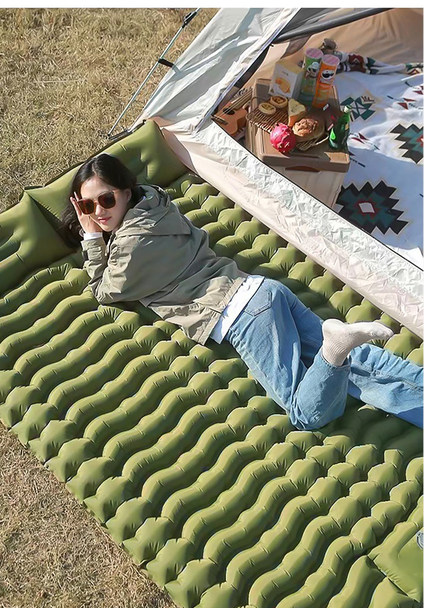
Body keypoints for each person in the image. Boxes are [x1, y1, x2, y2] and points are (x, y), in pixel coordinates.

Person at [59, 153, 423, 431]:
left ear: (125, 192)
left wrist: (91, 237)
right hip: (260, 289)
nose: (98, 212)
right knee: (361, 365)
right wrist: (98, 227)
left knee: (306, 415)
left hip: (240, 315)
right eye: (88, 206)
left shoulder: (129, 248)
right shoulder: (155, 203)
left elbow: (103, 289)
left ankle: (334, 350)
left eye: (106, 200)